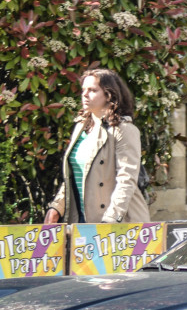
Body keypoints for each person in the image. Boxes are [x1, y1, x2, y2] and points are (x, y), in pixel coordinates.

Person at [44, 69, 149, 225]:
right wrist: (56, 208)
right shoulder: (81, 127)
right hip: (81, 219)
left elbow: (127, 180)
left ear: (109, 95)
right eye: (83, 90)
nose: (85, 95)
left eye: (92, 90)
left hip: (118, 224)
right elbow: (74, 175)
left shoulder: (125, 130)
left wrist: (111, 219)